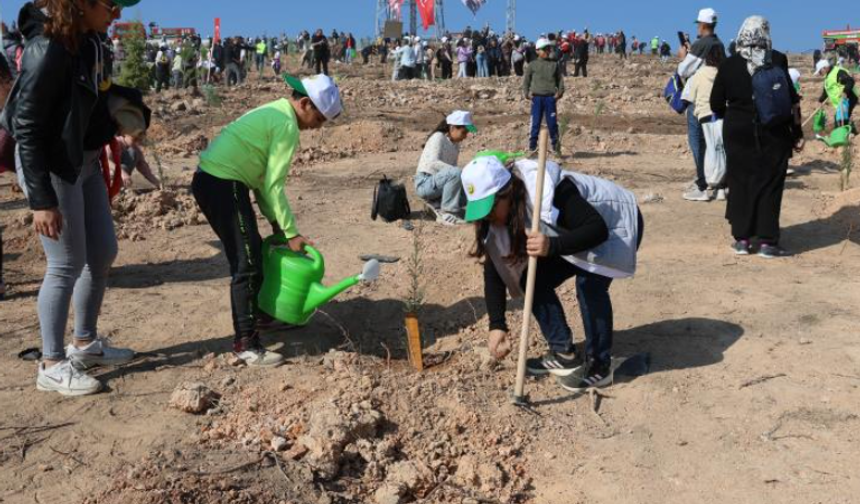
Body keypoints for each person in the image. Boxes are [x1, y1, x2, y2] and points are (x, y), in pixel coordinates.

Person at [1, 0, 147, 396]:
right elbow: (27, 128)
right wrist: (41, 200)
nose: (117, 13)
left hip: (82, 159)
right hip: (52, 163)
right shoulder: (46, 49)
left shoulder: (90, 42)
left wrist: (125, 111)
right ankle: (50, 364)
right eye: (111, 4)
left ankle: (84, 345)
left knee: (101, 253)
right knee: (65, 263)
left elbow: (93, 96)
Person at [193, 74, 342, 366]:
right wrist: (290, 232)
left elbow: (261, 182)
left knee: (253, 251)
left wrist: (277, 224)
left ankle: (261, 316)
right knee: (246, 264)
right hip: (223, 183)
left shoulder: (274, 111)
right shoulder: (286, 124)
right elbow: (273, 185)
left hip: (215, 181)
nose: (317, 127)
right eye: (320, 119)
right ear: (304, 104)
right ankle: (246, 343)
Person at [460, 155, 643, 391]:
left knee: (589, 285)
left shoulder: (552, 192)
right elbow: (494, 267)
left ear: (507, 193)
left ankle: (600, 365)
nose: (487, 217)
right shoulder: (494, 217)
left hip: (615, 224)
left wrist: (552, 246)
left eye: (490, 208)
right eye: (481, 210)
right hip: (569, 233)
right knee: (531, 279)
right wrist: (497, 325)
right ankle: (564, 353)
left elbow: (596, 230)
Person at [710, 16, 804, 258]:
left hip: (737, 132)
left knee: (740, 183)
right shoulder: (777, 59)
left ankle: (742, 239)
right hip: (774, 131)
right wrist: (797, 133)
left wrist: (732, 114)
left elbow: (715, 103)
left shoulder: (729, 64)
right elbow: (791, 100)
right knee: (770, 184)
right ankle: (767, 242)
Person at [678, 8, 726, 202]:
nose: (698, 27)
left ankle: (702, 184)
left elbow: (683, 70)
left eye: (698, 23)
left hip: (699, 100)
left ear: (704, 25)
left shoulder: (701, 44)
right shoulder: (719, 44)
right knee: (716, 144)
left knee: (697, 141)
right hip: (717, 99)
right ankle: (720, 183)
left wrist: (683, 56)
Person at [414, 111, 476, 225]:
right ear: (452, 128)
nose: (465, 136)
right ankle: (448, 212)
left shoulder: (456, 145)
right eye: (464, 132)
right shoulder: (438, 137)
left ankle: (437, 203)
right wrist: (459, 173)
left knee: (472, 189)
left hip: (438, 185)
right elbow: (433, 163)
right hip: (425, 183)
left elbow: (452, 175)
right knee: (456, 172)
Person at [684, 45, 727, 200]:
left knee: (705, 150)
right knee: (721, 150)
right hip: (722, 116)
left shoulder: (699, 74)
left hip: (704, 117)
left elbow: (690, 96)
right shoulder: (724, 73)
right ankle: (721, 187)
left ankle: (703, 187)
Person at [524, 38, 565, 156]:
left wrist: (560, 93)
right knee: (535, 123)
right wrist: (527, 94)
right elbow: (526, 81)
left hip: (550, 99)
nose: (547, 51)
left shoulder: (554, 64)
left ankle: (556, 149)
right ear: (537, 51)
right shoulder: (532, 65)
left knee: (552, 124)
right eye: (544, 49)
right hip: (536, 98)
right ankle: (532, 148)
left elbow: (560, 80)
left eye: (548, 49)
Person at [816, 59, 857, 129]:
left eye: (820, 71)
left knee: (840, 120)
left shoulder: (837, 72)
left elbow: (850, 81)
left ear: (824, 68)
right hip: (840, 103)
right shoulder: (828, 77)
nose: (820, 73)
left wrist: (845, 92)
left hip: (848, 99)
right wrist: (820, 101)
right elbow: (826, 92)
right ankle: (851, 132)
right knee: (842, 119)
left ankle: (843, 136)